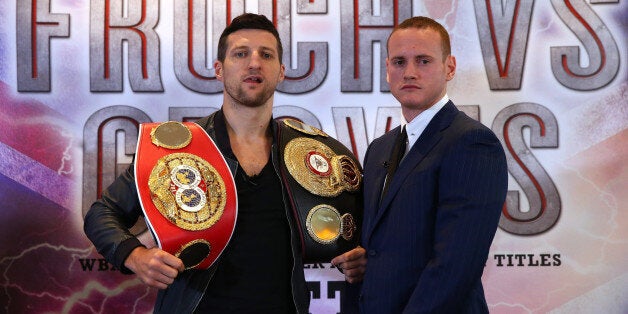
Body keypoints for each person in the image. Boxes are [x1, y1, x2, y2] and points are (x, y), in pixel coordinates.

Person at [84, 13, 365, 314]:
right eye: (241, 54)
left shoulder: (313, 154)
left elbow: (365, 227)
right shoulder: (175, 150)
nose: (254, 63)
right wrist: (134, 255)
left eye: (266, 55)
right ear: (219, 69)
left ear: (281, 71)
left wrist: (362, 255)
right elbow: (102, 213)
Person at [341, 16, 508, 313]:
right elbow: (384, 245)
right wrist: (362, 259)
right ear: (388, 70)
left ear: (450, 68)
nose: (410, 72)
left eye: (423, 61)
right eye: (399, 62)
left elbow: (455, 266)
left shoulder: (473, 142)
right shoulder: (380, 148)